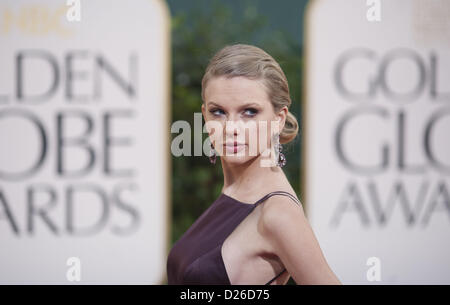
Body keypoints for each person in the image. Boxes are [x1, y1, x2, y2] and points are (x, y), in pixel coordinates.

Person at [167, 43, 341, 285]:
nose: (231, 128)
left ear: (278, 119)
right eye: (218, 112)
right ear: (204, 115)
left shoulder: (278, 214)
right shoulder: (235, 193)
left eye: (249, 112)